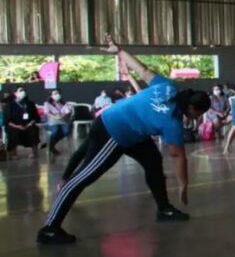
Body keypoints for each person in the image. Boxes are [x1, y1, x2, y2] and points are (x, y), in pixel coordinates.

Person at [37, 35, 209, 244]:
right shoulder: (171, 122)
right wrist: (183, 185)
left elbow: (143, 70)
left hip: (131, 131)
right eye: (198, 113)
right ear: (191, 108)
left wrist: (120, 51)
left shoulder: (168, 87)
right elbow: (178, 156)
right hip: (113, 131)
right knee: (84, 177)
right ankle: (49, 228)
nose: (198, 118)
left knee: (153, 161)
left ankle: (164, 209)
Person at [4, 86, 41, 158]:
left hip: (29, 124)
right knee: (13, 133)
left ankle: (34, 152)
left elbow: (35, 117)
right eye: (20, 90)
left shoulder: (30, 103)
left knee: (34, 130)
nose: (23, 92)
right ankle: (14, 154)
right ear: (15, 93)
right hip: (14, 125)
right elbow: (7, 121)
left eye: (23, 90)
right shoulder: (10, 105)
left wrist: (30, 124)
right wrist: (17, 126)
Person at [43, 90, 73, 155]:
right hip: (53, 121)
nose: (57, 95)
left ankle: (50, 145)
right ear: (51, 96)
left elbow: (67, 112)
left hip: (63, 120)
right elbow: (47, 113)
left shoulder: (64, 103)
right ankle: (51, 146)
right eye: (55, 93)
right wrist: (55, 116)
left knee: (66, 131)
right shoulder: (47, 103)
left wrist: (63, 115)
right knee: (55, 131)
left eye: (58, 93)